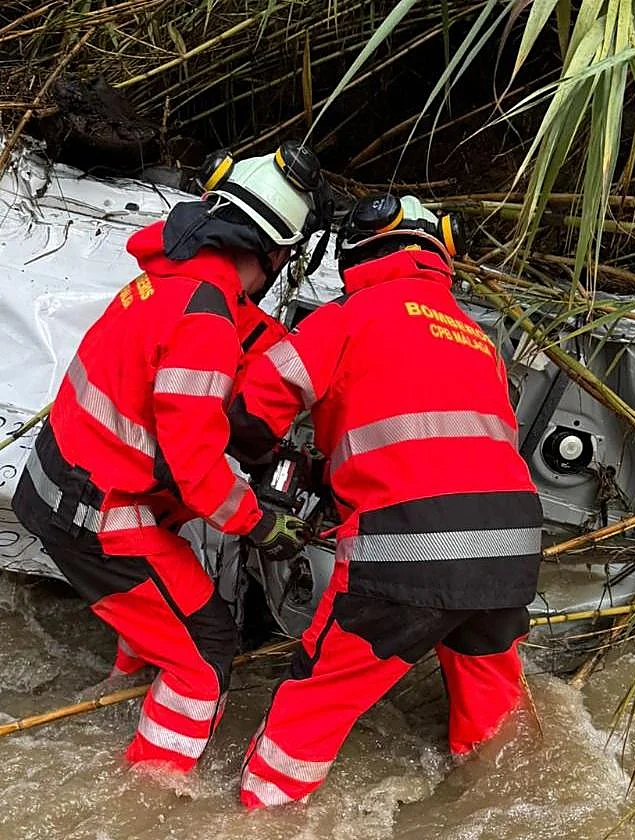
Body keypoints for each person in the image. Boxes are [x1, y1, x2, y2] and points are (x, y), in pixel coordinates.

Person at [11, 143, 326, 773]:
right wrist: (260, 522)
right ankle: (153, 790)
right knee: (205, 651)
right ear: (272, 253)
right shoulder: (204, 322)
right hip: (99, 515)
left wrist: (304, 350)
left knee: (167, 595)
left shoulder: (172, 281)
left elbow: (243, 333)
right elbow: (197, 469)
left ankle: (122, 690)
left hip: (63, 486)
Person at [227, 193, 544, 808]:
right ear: (437, 255)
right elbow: (439, 446)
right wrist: (329, 475)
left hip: (408, 546)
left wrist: (277, 467)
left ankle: (261, 813)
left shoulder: (346, 318)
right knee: (495, 718)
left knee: (317, 696)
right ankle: (505, 813)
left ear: (357, 253)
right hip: (511, 548)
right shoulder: (479, 341)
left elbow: (247, 417)